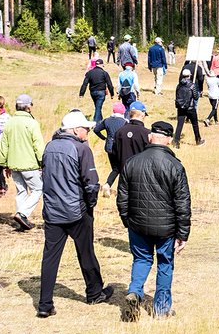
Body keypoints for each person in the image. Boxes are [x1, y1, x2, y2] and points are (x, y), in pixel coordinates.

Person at [36, 110, 111, 317]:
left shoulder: (49, 146)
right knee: (86, 253)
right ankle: (94, 293)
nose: (88, 131)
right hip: (77, 211)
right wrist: (91, 205)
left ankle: (44, 304)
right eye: (85, 128)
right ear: (76, 130)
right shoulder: (81, 148)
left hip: (52, 211)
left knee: (50, 258)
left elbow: (44, 175)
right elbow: (91, 183)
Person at [117, 120, 191, 321]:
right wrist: (183, 233)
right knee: (165, 264)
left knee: (141, 259)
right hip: (166, 228)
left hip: (138, 225)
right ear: (168, 140)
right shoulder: (175, 166)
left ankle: (135, 291)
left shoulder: (132, 162)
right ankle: (161, 309)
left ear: (150, 137)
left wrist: (127, 220)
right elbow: (182, 203)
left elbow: (122, 197)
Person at [0, 94, 44, 231]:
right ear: (28, 107)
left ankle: (21, 219)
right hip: (29, 164)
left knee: (21, 191)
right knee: (38, 189)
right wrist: (43, 162)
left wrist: (4, 164)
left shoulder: (9, 122)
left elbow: (3, 145)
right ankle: (22, 214)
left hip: (13, 164)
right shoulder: (32, 123)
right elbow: (38, 146)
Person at [93, 102, 128, 195]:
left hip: (109, 147)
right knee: (123, 169)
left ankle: (107, 185)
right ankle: (121, 190)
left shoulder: (107, 120)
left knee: (115, 169)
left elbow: (96, 130)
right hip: (121, 148)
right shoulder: (125, 122)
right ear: (123, 112)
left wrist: (104, 138)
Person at [173, 70, 205, 148]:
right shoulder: (192, 85)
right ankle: (198, 140)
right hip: (190, 107)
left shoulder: (179, 85)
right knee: (195, 124)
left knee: (179, 125)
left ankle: (176, 142)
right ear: (189, 75)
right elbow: (196, 97)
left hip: (180, 107)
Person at [78, 59, 115, 124]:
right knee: (98, 107)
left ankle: (100, 121)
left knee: (97, 106)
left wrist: (81, 93)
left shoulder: (90, 73)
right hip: (101, 92)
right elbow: (109, 84)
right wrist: (112, 94)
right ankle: (95, 123)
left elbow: (85, 84)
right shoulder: (104, 73)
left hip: (93, 92)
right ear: (102, 64)